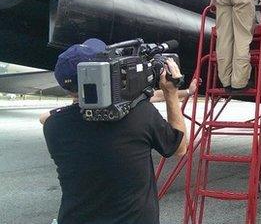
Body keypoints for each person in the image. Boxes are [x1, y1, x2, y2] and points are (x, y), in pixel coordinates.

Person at [40, 39, 187, 224]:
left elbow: (51, 116)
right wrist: (171, 93)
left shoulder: (53, 127)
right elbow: (180, 148)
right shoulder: (141, 115)